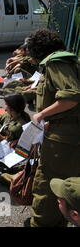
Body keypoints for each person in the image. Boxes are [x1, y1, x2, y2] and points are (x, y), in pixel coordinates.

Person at [25, 29, 80, 228]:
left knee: (46, 185)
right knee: (63, 186)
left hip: (62, 140)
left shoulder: (55, 62)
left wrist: (41, 115)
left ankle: (41, 223)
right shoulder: (68, 61)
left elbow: (71, 96)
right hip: (67, 135)